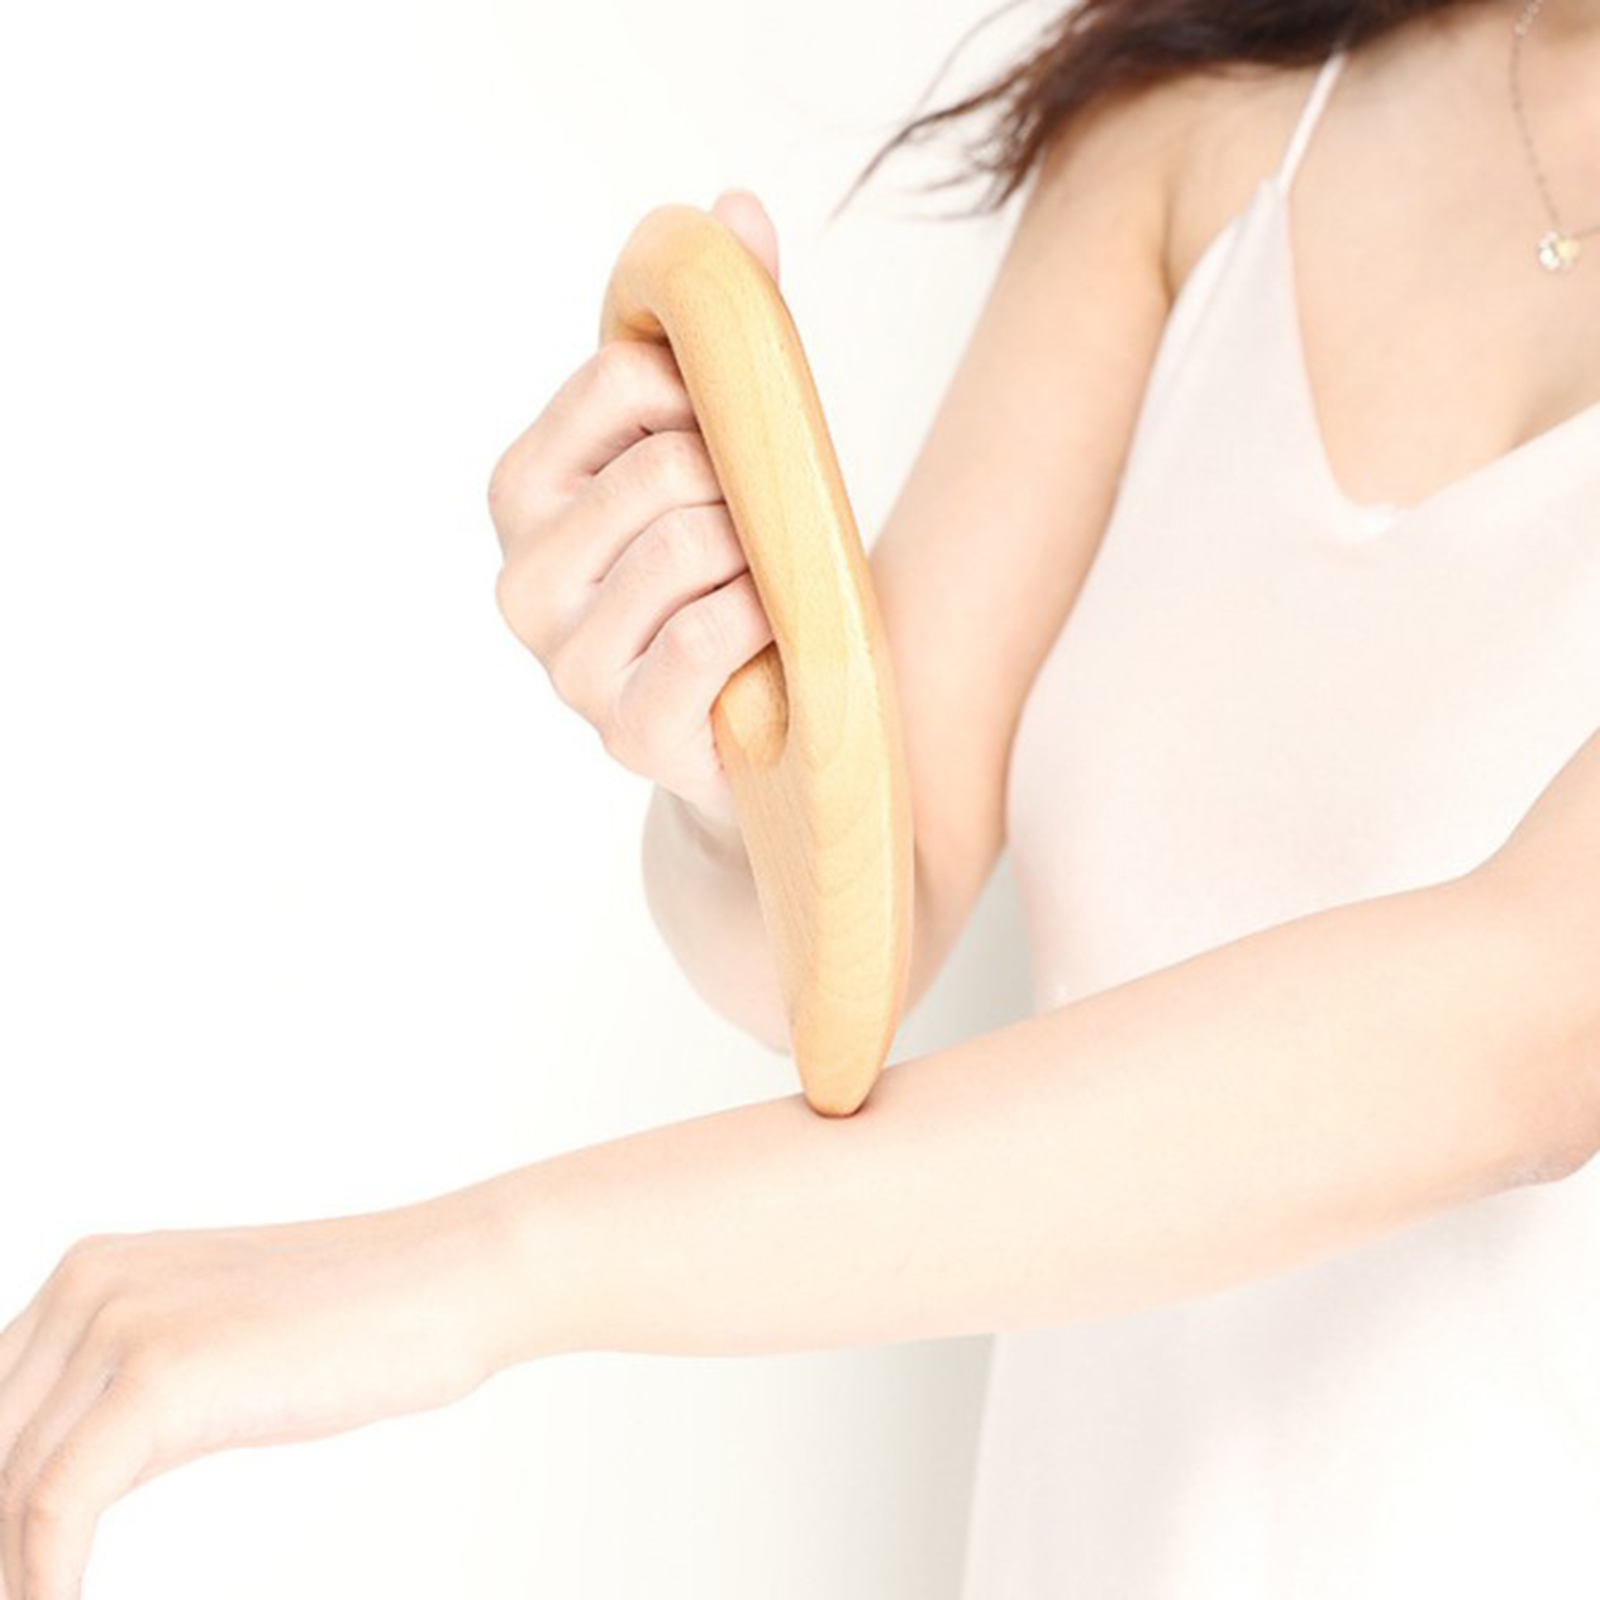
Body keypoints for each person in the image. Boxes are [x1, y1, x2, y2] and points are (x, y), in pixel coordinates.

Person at [1, 1, 1596, 1593]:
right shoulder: (1198, 125)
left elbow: (1511, 1034)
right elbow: (840, 937)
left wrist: (465, 1270)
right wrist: (721, 723)